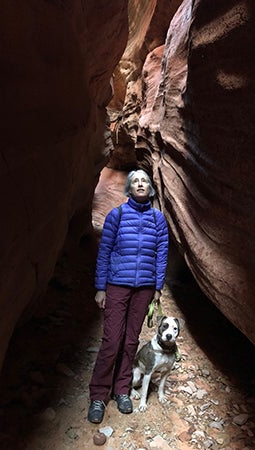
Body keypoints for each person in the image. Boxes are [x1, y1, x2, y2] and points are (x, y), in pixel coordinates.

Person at [88, 169, 169, 424]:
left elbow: (161, 254)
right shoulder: (117, 215)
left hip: (144, 288)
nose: (141, 184)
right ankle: (99, 395)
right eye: (136, 181)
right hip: (117, 285)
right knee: (112, 340)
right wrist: (101, 287)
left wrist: (157, 287)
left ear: (150, 188)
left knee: (130, 341)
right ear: (130, 188)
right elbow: (104, 252)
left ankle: (122, 390)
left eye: (145, 181)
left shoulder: (158, 220)